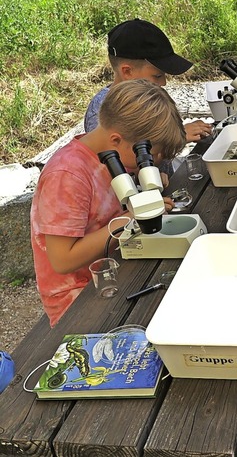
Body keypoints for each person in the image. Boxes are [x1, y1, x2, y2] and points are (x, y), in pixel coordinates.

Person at [31, 79, 187, 327]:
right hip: (81, 300)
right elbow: (62, 260)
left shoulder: (109, 154)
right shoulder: (67, 175)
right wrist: (132, 218)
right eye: (150, 154)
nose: (154, 162)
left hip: (119, 266)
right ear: (116, 140)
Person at [84, 18, 212, 173]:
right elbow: (118, 172)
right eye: (157, 76)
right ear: (127, 71)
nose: (164, 82)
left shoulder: (145, 97)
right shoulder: (102, 112)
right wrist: (176, 139)